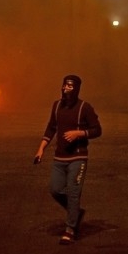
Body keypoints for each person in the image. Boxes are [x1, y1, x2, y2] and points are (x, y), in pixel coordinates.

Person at [34, 75, 102, 245]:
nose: (66, 89)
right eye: (65, 86)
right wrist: (41, 149)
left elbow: (97, 130)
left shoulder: (84, 107)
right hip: (59, 158)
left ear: (76, 89)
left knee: (73, 192)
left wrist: (79, 133)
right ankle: (76, 213)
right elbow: (51, 128)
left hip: (78, 158)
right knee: (55, 190)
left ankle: (70, 229)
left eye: (70, 87)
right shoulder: (56, 106)